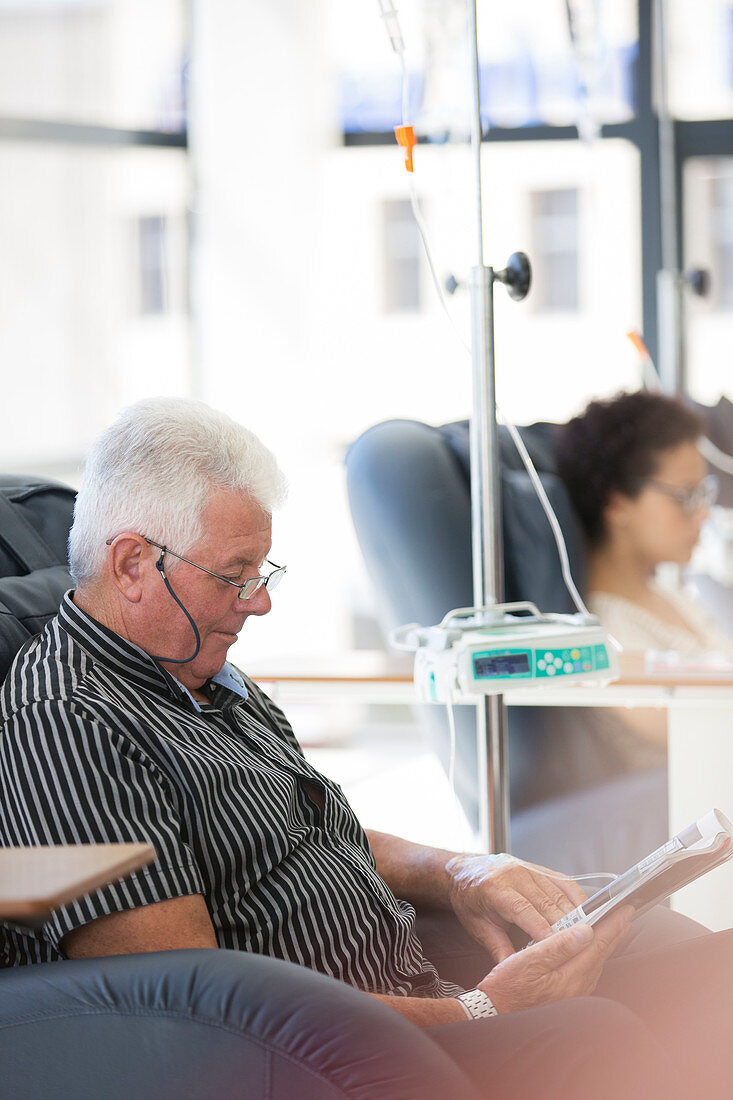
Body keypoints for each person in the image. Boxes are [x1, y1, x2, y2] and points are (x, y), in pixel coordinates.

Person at [1, 397, 732, 1099]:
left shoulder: (207, 676)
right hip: (316, 1054)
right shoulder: (71, 719)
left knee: (698, 965)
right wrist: (481, 1013)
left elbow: (308, 821)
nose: (259, 601)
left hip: (413, 981)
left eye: (261, 573)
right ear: (132, 564)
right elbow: (180, 1005)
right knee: (592, 1039)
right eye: (235, 575)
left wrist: (458, 872)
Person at [555, 389, 733, 760]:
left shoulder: (670, 596)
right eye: (684, 496)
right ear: (616, 502)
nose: (702, 515)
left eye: (703, 493)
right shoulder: (604, 639)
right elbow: (706, 741)